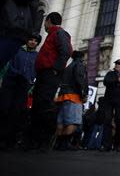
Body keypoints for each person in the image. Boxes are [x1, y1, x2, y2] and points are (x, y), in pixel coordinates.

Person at [27, 12, 72, 151]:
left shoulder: (59, 33)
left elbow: (66, 51)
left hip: (50, 74)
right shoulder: (52, 34)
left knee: (45, 106)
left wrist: (56, 69)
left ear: (48, 21)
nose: (44, 25)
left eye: (44, 22)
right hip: (43, 75)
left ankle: (44, 140)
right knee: (38, 105)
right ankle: (34, 140)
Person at [0, 34, 41, 149]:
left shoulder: (37, 56)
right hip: (10, 83)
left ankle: (10, 141)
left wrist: (31, 82)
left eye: (35, 41)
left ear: (37, 43)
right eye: (31, 39)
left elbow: (36, 72)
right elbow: (8, 64)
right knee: (4, 109)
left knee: (16, 113)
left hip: (24, 87)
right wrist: (18, 74)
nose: (33, 42)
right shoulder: (17, 50)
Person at [55, 50, 88, 150]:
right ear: (82, 57)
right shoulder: (79, 65)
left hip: (63, 95)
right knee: (74, 122)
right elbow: (80, 80)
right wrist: (83, 93)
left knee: (61, 122)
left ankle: (58, 143)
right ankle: (65, 143)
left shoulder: (68, 66)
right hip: (74, 96)